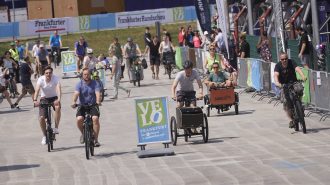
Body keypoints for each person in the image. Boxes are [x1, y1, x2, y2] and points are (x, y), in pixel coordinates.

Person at [274, 52, 306, 128]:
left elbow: (297, 69)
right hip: (284, 85)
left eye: (286, 59)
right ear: (280, 60)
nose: (284, 60)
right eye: (282, 59)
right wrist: (277, 83)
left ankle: (300, 104)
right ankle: (291, 120)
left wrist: (303, 76)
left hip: (293, 82)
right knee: (286, 104)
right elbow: (276, 75)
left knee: (300, 88)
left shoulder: (292, 62)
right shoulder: (278, 66)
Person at [71, 68, 101, 147]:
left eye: (88, 74)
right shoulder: (79, 84)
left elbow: (97, 93)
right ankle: (83, 133)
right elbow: (76, 93)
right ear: (82, 75)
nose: (86, 76)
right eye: (85, 74)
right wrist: (74, 102)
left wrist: (98, 101)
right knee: (79, 119)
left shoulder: (95, 83)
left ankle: (96, 140)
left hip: (93, 105)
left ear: (90, 75)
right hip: (82, 105)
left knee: (95, 118)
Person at [33, 66, 62, 145]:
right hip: (44, 98)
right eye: (46, 73)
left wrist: (58, 99)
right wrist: (35, 100)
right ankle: (44, 135)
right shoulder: (41, 79)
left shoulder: (55, 78)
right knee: (42, 118)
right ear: (44, 74)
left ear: (52, 73)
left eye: (50, 73)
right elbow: (37, 90)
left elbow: (58, 89)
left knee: (58, 107)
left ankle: (56, 127)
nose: (48, 74)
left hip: (54, 98)